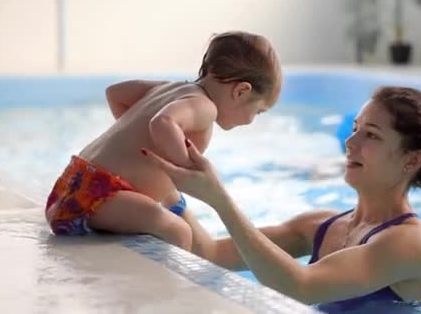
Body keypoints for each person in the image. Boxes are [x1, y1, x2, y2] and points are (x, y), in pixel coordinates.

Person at [142, 86, 421, 312]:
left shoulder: (413, 244)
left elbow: (301, 285)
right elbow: (210, 253)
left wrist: (219, 199)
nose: (350, 142)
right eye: (355, 128)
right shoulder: (319, 226)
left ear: (411, 160)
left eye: (371, 135)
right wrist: (168, 188)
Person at [44, 31, 282, 250]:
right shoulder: (204, 107)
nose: (252, 120)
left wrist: (138, 144)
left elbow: (114, 93)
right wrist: (185, 169)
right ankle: (168, 296)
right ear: (241, 91)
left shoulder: (170, 88)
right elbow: (162, 123)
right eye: (258, 111)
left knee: (172, 203)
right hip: (98, 197)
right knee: (179, 232)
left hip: (71, 185)